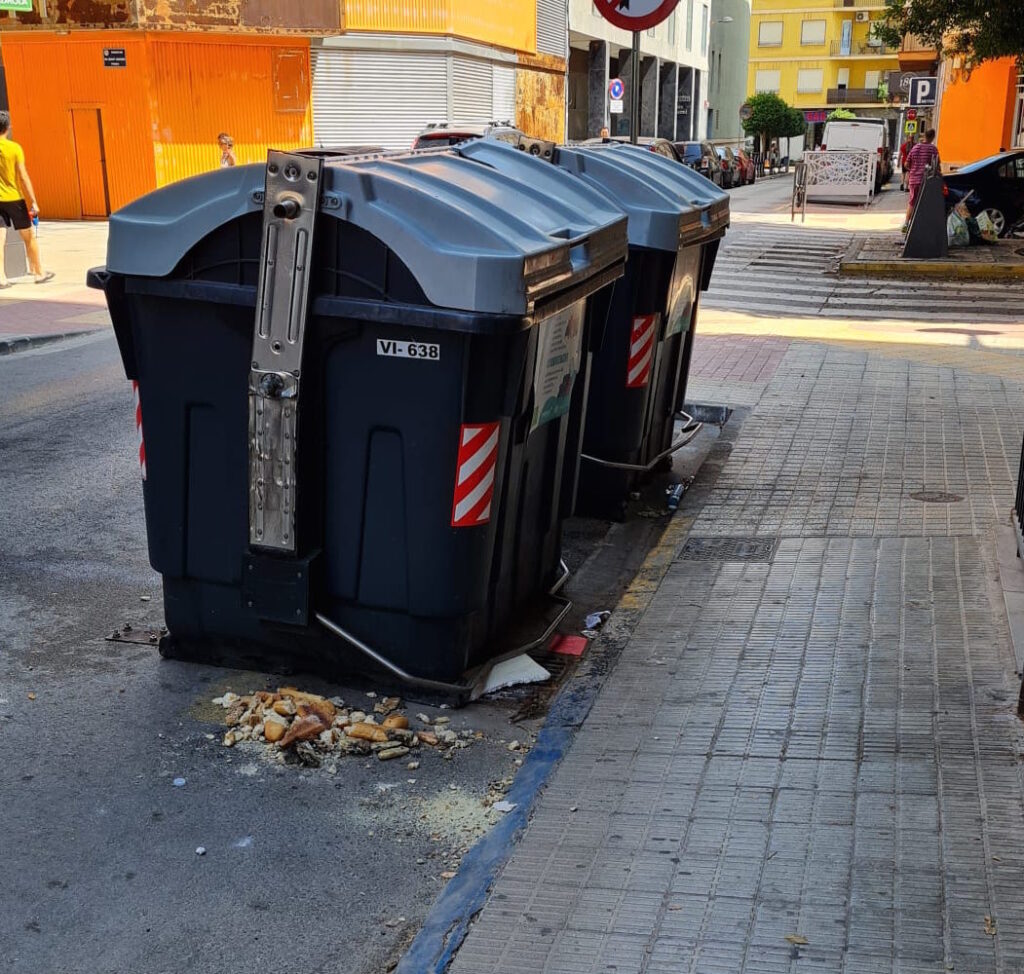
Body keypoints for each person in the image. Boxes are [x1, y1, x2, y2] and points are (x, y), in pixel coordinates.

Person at [0, 111, 52, 287]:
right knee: (29, 237)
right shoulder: (14, 148)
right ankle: (38, 273)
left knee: (0, 239)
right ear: (8, 127)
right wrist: (34, 201)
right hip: (14, 198)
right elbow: (23, 176)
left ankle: (1, 277)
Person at [902, 128, 939, 233]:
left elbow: (906, 164)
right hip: (926, 181)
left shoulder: (915, 148)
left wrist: (913, 170)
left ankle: (906, 223)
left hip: (914, 180)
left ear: (924, 136)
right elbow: (937, 166)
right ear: (933, 137)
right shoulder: (933, 149)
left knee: (912, 202)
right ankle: (921, 225)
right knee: (925, 202)